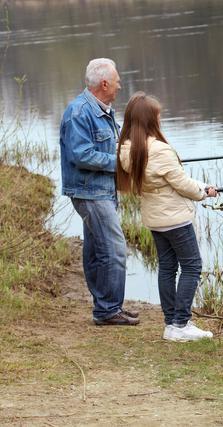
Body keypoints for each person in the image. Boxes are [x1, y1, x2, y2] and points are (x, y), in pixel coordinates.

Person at [116, 92, 217, 342]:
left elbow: (166, 180)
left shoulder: (127, 149)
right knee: (192, 266)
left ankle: (171, 323)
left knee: (168, 267)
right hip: (175, 218)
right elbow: (181, 183)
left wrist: (198, 187)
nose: (161, 120)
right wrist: (204, 192)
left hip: (154, 217)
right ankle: (180, 324)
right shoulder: (159, 150)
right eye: (158, 117)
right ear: (151, 120)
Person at [59, 58, 138, 326]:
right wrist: (120, 164)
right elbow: (81, 155)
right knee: (114, 249)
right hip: (89, 191)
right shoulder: (79, 112)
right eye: (117, 81)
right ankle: (108, 310)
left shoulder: (104, 109)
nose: (119, 85)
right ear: (104, 83)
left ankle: (105, 306)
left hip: (101, 190)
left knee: (95, 249)